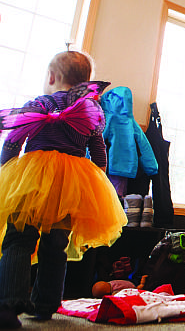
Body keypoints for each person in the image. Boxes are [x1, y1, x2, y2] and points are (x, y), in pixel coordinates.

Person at [0, 51, 127, 329]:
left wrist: (6, 170)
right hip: (69, 186)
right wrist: (96, 181)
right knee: (56, 245)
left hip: (33, 181)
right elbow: (99, 152)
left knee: (18, 240)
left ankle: (9, 305)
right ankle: (46, 305)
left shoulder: (38, 104)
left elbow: (13, 141)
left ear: (51, 77)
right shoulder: (90, 111)